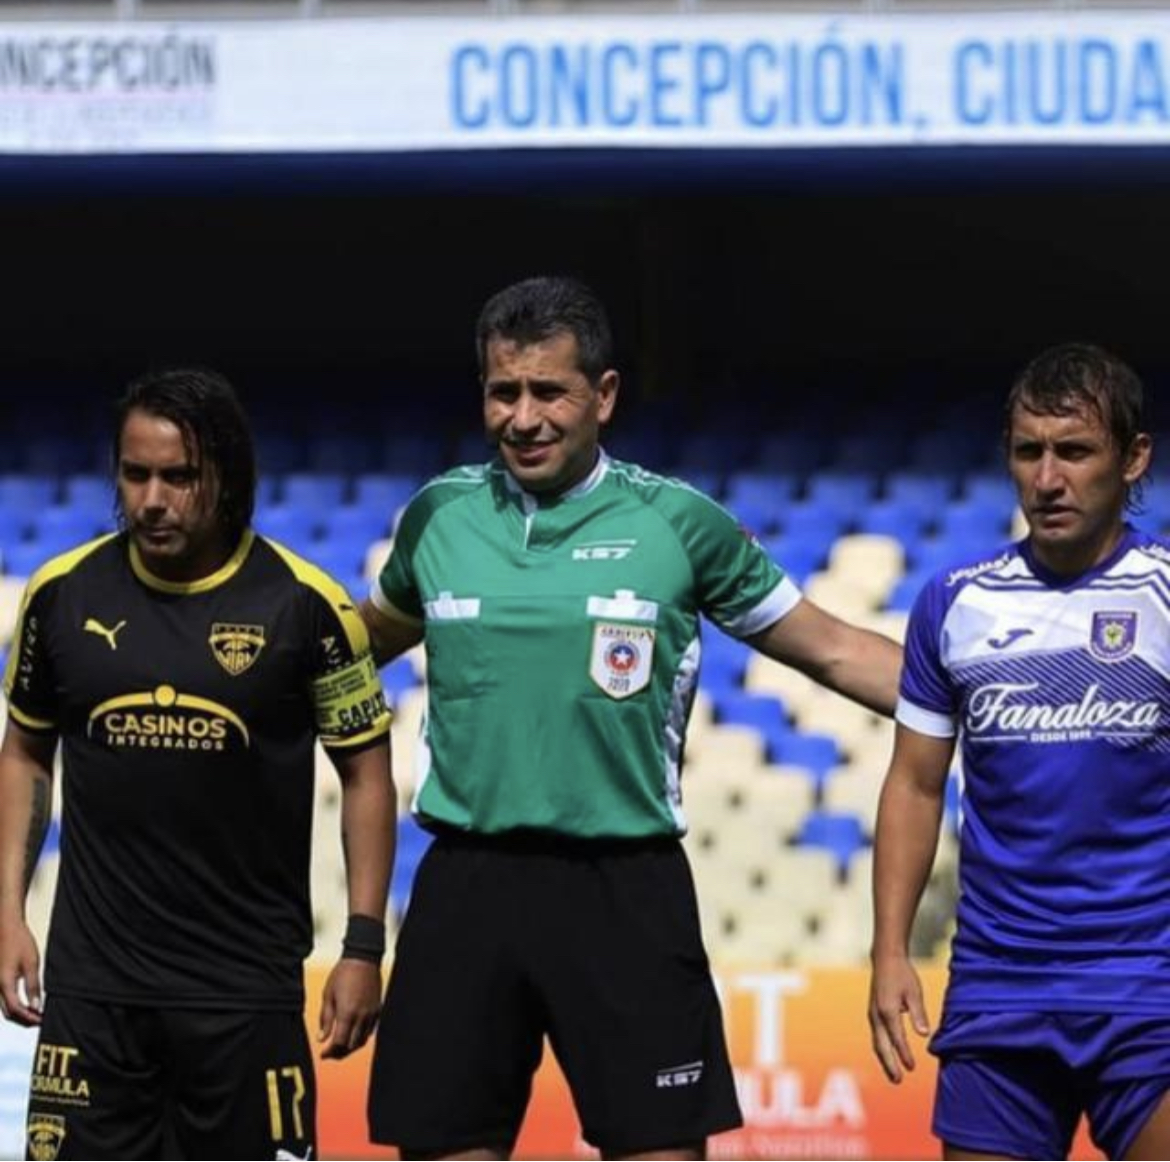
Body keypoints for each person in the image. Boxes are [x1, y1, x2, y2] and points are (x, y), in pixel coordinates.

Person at [359, 274, 902, 1161]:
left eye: (549, 392)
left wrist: (998, 699)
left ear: (603, 396)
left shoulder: (678, 523)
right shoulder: (439, 517)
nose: (523, 418)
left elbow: (836, 650)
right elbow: (356, 644)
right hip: (466, 882)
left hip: (623, 886)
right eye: (504, 393)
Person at [0, 367, 396, 1160]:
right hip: (93, 994)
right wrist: (6, 910)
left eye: (179, 477)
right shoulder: (58, 597)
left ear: (226, 477)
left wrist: (361, 947)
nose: (152, 499)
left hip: (243, 998)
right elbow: (24, 756)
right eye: (135, 473)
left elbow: (367, 775)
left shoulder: (306, 606)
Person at [868, 342, 1170, 1160]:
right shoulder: (953, 603)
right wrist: (889, 950)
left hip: (1148, 987)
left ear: (1133, 458)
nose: (1047, 478)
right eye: (1028, 451)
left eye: (1074, 451)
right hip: (999, 991)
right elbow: (914, 785)